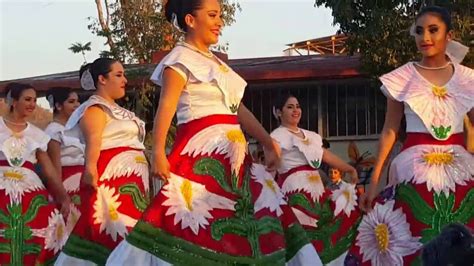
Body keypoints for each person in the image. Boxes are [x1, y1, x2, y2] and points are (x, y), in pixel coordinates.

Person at [106, 0, 321, 265]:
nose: (220, 21)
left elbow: (238, 110)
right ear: (190, 20)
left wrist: (267, 142)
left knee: (253, 216)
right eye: (212, 15)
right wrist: (158, 151)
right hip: (200, 151)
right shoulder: (179, 60)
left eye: (219, 15)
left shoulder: (218, 65)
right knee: (192, 219)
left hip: (235, 157)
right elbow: (166, 108)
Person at [353, 6, 474, 265]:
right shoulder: (402, 77)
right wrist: (374, 180)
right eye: (419, 31)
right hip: (412, 165)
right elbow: (390, 130)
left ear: (449, 35)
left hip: (462, 164)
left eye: (433, 30)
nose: (425, 37)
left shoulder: (467, 79)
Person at [55, 58, 150, 265]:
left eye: (123, 75)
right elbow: (94, 141)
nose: (124, 80)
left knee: (131, 234)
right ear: (102, 79)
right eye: (118, 75)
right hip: (110, 180)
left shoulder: (119, 110)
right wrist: (90, 170)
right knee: (112, 232)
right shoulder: (95, 109)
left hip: (133, 182)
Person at [271, 93, 360, 265]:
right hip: (295, 193)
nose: (295, 110)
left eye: (297, 106)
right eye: (290, 107)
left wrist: (348, 168)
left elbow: (325, 155)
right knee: (304, 238)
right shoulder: (277, 136)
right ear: (278, 112)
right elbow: (271, 163)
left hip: (317, 193)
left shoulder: (311, 136)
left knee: (332, 224)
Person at [0, 83, 70, 265]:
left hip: (29, 192)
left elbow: (48, 170)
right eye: (27, 99)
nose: (32, 104)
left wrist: (63, 196)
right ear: (13, 101)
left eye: (34, 100)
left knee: (44, 227)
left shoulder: (37, 135)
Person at [44, 88, 83, 235]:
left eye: (77, 101)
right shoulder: (53, 131)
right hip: (67, 182)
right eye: (71, 102)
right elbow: (55, 167)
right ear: (59, 106)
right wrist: (61, 196)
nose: (76, 105)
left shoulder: (78, 128)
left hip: (82, 180)